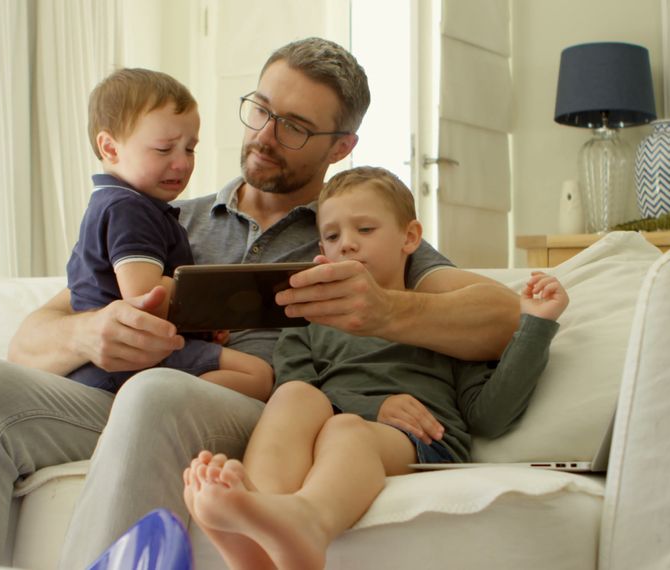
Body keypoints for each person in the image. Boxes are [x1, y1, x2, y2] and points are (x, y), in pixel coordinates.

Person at [0, 37, 520, 568]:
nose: (266, 135)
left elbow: (500, 318)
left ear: (340, 146)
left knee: (156, 391)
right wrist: (90, 334)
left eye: (295, 127)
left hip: (259, 415)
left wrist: (384, 311)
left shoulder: (353, 234)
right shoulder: (162, 214)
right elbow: (31, 339)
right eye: (261, 109)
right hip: (118, 390)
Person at [182, 166, 568, 570]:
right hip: (334, 426)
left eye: (365, 230)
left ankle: (309, 522)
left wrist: (536, 325)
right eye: (332, 236)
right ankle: (262, 521)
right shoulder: (307, 324)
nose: (347, 244)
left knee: (343, 428)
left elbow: (489, 416)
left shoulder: (441, 320)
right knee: (296, 394)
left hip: (421, 441)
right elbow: (294, 394)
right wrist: (370, 408)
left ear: (410, 237)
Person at [65, 68, 270, 399]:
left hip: (114, 363)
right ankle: (160, 401)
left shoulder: (116, 203)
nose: (182, 164)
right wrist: (214, 305)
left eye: (190, 149)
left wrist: (200, 327)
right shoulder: (129, 209)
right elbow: (145, 294)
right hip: (135, 360)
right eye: (164, 149)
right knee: (257, 375)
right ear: (111, 148)